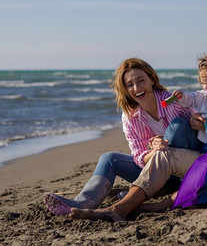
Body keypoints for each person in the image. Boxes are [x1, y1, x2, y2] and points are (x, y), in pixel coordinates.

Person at [69, 30, 207, 221]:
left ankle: (166, 201)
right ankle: (119, 210)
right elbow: (203, 103)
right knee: (163, 156)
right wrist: (196, 122)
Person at [43, 58, 195, 216]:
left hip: (184, 171)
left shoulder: (173, 100)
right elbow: (138, 157)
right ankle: (83, 202)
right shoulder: (130, 116)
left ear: (151, 79)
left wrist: (195, 122)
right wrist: (155, 150)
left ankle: (154, 189)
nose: (136, 88)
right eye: (130, 85)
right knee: (110, 158)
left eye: (141, 80)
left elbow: (200, 123)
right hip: (156, 172)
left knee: (178, 125)